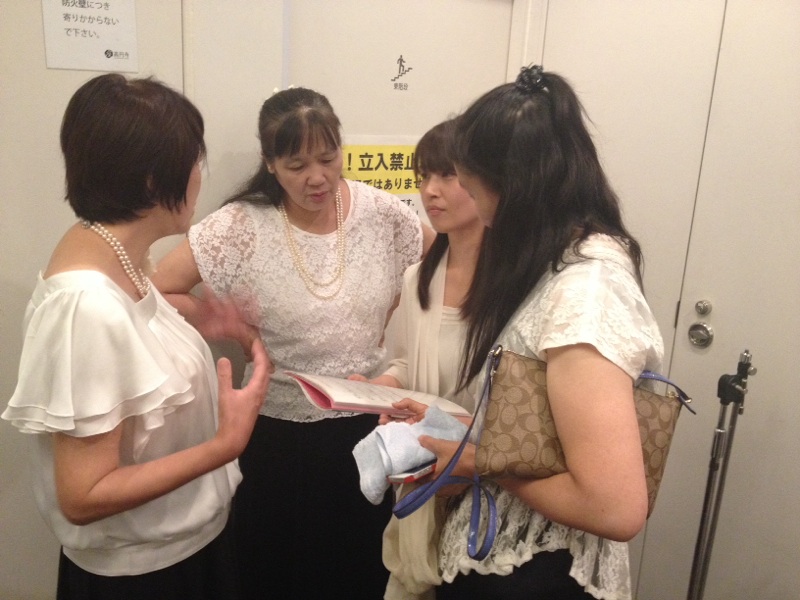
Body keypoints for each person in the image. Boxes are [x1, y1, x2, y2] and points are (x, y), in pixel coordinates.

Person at [387, 65, 664, 600]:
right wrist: (461, 428)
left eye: (472, 190)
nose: (472, 206)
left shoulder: (585, 294)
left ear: (516, 189)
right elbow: (540, 426)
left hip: (537, 573)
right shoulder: (554, 263)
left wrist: (479, 461)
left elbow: (614, 505)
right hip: (506, 555)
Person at [152, 86, 435, 599]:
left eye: (328, 158)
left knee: (361, 573)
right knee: (276, 576)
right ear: (270, 163)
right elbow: (155, 290)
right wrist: (231, 328)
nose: (317, 177)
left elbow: (441, 262)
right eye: (297, 165)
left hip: (366, 428)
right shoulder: (242, 225)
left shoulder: (381, 212)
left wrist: (391, 316)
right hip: (276, 435)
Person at [1, 73, 272, 600]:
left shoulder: (110, 251)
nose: (199, 176)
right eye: (194, 161)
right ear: (152, 182)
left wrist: (199, 318)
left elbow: (131, 341)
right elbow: (84, 494)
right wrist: (226, 444)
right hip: (146, 576)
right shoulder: (86, 307)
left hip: (185, 546)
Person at [355, 118, 486, 599]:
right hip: (429, 465)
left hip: (490, 471)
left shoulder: (516, 283)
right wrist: (377, 390)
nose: (430, 190)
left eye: (448, 175)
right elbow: (407, 363)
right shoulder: (419, 278)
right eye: (424, 176)